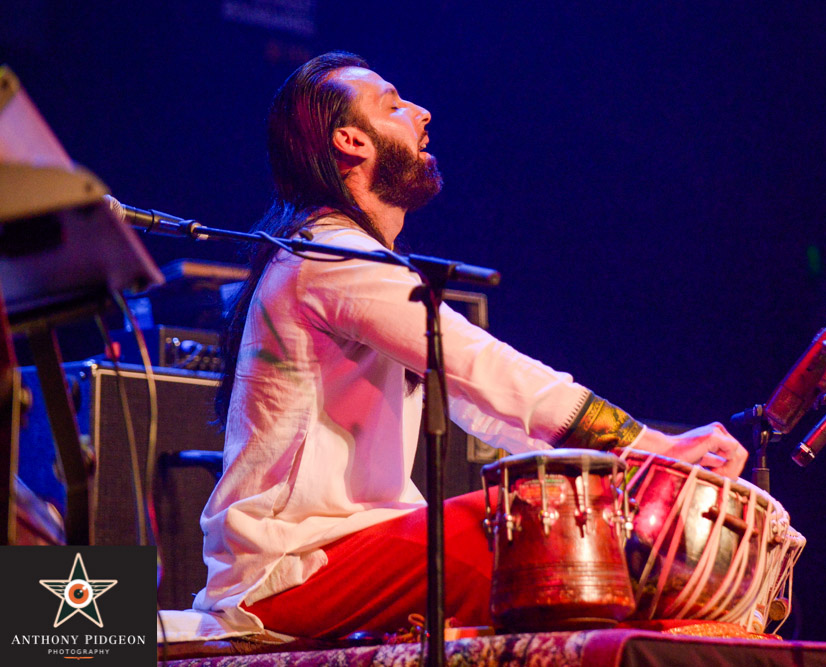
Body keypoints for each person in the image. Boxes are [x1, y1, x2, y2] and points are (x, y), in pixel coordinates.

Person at [192, 51, 747, 640]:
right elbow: (478, 366)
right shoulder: (328, 256)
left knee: (546, 520)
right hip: (293, 573)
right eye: (393, 104)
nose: (422, 113)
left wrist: (614, 469)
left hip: (343, 554)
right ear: (351, 140)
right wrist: (645, 448)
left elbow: (476, 400)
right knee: (521, 534)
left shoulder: (338, 256)